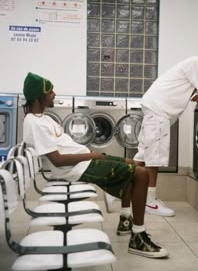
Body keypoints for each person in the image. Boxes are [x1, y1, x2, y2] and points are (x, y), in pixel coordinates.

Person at [22, 72, 169, 259]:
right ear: (39, 96)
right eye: (50, 91)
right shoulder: (34, 123)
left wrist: (90, 155)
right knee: (141, 173)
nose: (54, 94)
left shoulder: (44, 118)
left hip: (84, 161)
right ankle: (138, 237)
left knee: (132, 163)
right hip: (76, 169)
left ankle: (125, 220)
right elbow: (57, 160)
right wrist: (91, 155)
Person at [133, 49, 198, 216]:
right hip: (159, 113)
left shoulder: (193, 69)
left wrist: (196, 95)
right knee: (154, 159)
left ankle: (114, 187)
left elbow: (197, 94)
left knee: (143, 157)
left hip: (154, 111)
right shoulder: (196, 63)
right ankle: (150, 202)